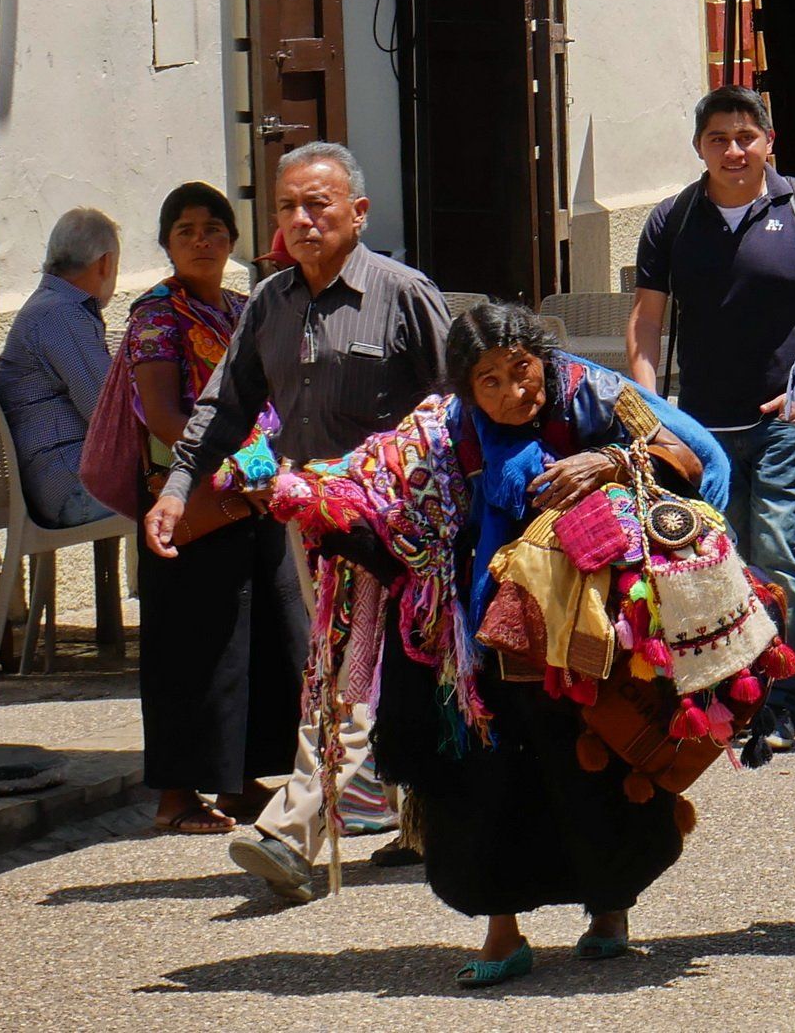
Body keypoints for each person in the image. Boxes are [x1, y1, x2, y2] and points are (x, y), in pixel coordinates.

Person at [270, 302, 732, 987]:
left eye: (523, 370)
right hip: (480, 636)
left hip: (589, 628)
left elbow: (689, 459)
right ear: (466, 387)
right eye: (490, 380)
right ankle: (501, 930)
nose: (516, 391)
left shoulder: (595, 394)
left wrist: (607, 461)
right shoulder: (439, 429)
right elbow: (371, 482)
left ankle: (610, 909)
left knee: (595, 766)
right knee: (483, 783)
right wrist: (295, 489)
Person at [144, 142, 454, 902]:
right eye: (288, 207)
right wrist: (178, 489)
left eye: (319, 204)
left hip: (398, 522)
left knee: (349, 675)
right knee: (356, 672)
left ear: (359, 212)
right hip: (309, 522)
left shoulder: (403, 293)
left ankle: (291, 833)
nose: (303, 220)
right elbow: (224, 406)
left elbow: (456, 406)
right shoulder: (271, 305)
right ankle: (426, 824)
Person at [630, 85, 795, 753]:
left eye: (745, 137)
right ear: (699, 147)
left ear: (768, 141)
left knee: (778, 550)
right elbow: (646, 321)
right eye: (718, 139)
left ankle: (783, 701)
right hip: (702, 430)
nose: (733, 151)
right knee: (716, 562)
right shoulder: (673, 220)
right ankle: (732, 697)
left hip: (787, 417)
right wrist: (650, 410)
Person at [102, 183, 303, 833]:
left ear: (232, 241)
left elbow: (273, 397)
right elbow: (162, 414)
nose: (201, 240)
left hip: (253, 491)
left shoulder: (245, 309)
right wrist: (231, 470)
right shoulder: (156, 316)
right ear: (166, 243)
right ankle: (176, 796)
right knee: (190, 646)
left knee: (260, 636)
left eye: (214, 228)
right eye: (185, 230)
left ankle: (240, 780)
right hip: (186, 497)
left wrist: (265, 468)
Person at [0, 207, 120, 527]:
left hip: (61, 483)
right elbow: (110, 415)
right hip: (73, 487)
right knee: (200, 483)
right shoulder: (61, 314)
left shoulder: (48, 306)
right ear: (105, 263)